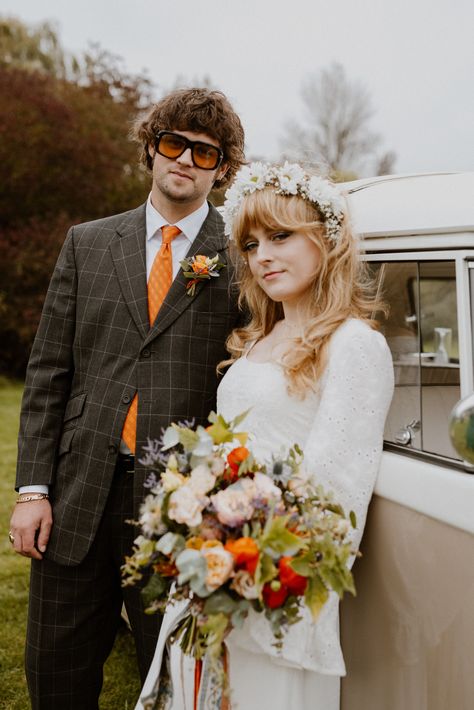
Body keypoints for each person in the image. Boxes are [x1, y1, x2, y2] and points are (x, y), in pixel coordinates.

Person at [9, 87, 245, 710]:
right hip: (76, 490)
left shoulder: (243, 257)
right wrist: (33, 491)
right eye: (175, 143)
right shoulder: (87, 243)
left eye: (205, 152)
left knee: (170, 675)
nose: (186, 160)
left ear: (222, 168)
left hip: (180, 507)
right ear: (151, 147)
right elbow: (49, 372)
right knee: (54, 669)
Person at [138, 161, 394, 709]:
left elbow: (335, 492)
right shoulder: (261, 336)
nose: (263, 256)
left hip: (275, 585)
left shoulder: (352, 345)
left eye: (281, 236)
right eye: (251, 244)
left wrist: (250, 569)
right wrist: (196, 529)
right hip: (213, 566)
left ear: (325, 240)